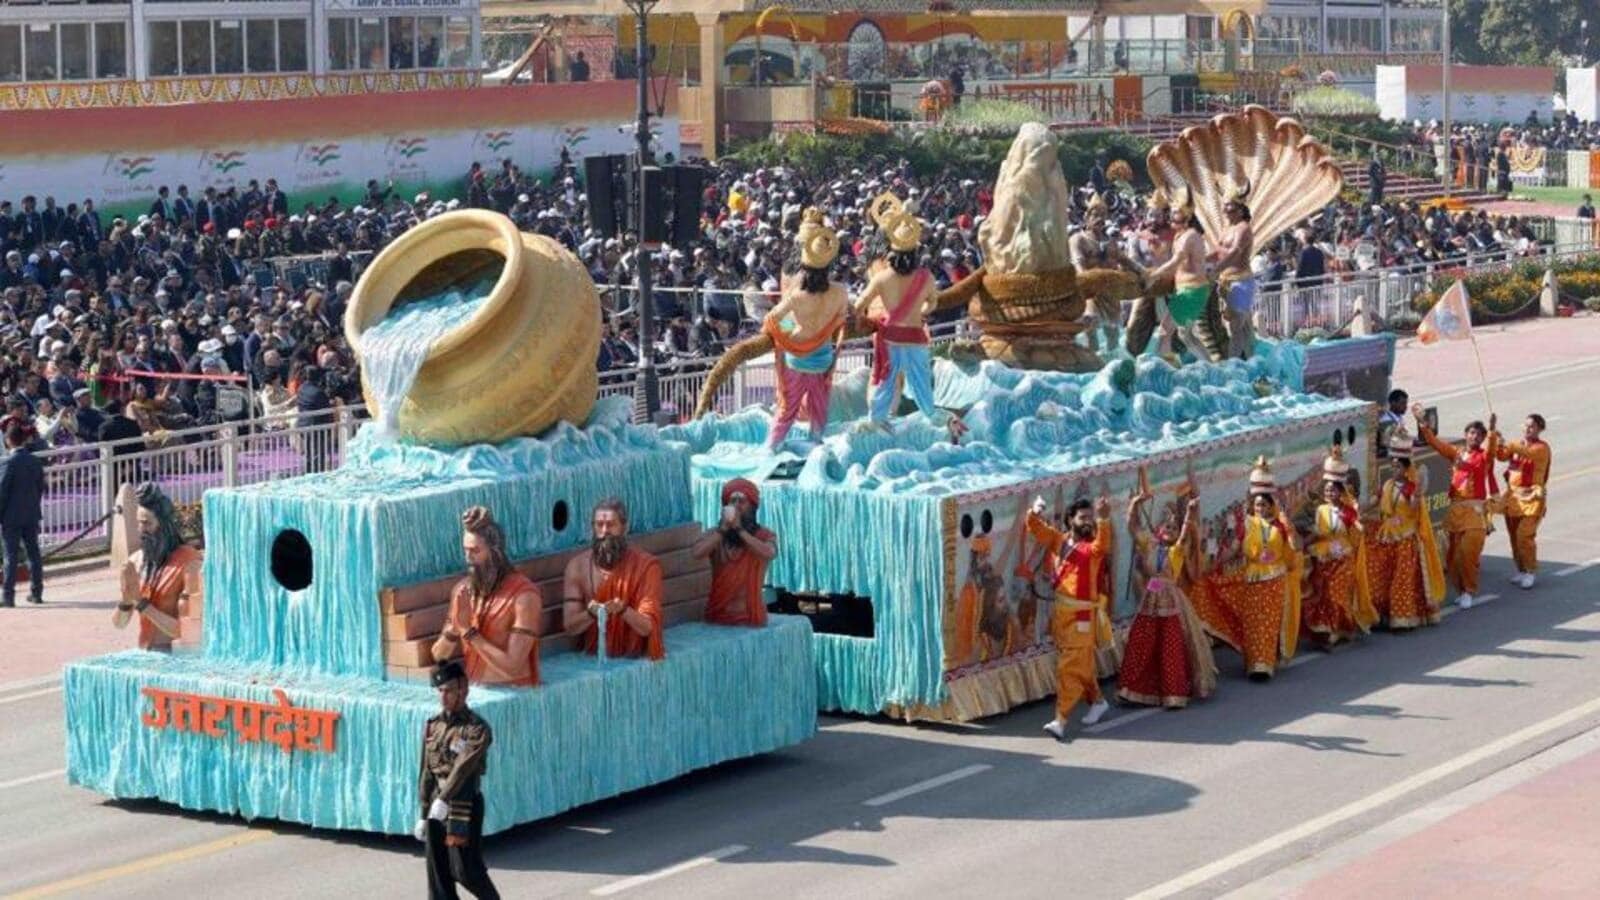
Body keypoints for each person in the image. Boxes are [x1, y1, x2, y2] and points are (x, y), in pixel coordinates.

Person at [854, 193, 961, 436]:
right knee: (922, 387)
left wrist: (866, 321)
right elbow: (932, 304)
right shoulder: (926, 277)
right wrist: (919, 312)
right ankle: (939, 421)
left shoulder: (881, 276)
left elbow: (859, 305)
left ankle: (876, 422)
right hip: (915, 337)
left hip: (889, 337)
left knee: (884, 381)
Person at [1192, 457, 1302, 680]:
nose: (1260, 508)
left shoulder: (1280, 525)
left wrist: (1288, 526)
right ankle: (1253, 663)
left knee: (1268, 623)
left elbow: (1295, 547)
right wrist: (1213, 567)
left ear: (1271, 505)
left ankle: (1264, 665)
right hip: (1252, 581)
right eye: (1257, 504)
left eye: (1264, 504)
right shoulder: (1247, 524)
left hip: (1274, 581)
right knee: (1253, 623)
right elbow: (1234, 550)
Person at [1116, 485, 1217, 708]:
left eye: (1174, 527)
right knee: (1141, 643)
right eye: (1167, 526)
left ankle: (1174, 694)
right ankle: (1133, 690)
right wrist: (1135, 504)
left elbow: (1185, 532)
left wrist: (1190, 511)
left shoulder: (1177, 550)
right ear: (1159, 529)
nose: (1170, 529)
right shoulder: (1149, 545)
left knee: (1171, 647)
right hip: (1150, 602)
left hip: (1172, 604)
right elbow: (1133, 526)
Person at [1025, 493, 1113, 740]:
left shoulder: (1092, 549)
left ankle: (1060, 720)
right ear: (1070, 520)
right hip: (1061, 616)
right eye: (1083, 517)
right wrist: (1035, 511)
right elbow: (1036, 528)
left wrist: (1104, 519)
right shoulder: (1059, 540)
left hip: (1082, 617)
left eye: (1090, 517)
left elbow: (1102, 545)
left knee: (1069, 668)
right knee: (1080, 663)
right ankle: (1098, 701)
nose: (1088, 522)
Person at [763, 208, 848, 448]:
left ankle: (771, 448)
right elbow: (841, 319)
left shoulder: (797, 295)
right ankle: (815, 443)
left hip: (797, 357)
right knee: (819, 407)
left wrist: (790, 333)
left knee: (787, 409)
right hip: (823, 357)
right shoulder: (840, 292)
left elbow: (772, 319)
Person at [416, 660, 500, 900]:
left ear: (463, 690)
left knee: (465, 870)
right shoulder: (433, 726)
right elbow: (426, 771)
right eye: (440, 691)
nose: (443, 696)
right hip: (436, 803)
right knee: (438, 875)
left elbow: (463, 768)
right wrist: (423, 812)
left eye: (449, 690)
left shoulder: (476, 729)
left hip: (463, 803)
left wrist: (443, 799)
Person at [432, 506, 541, 687]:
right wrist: (454, 628)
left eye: (475, 551)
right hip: (475, 690)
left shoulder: (524, 596)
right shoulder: (462, 591)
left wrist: (468, 631)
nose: (468, 558)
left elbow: (513, 666)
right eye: (465, 550)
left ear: (495, 552)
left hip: (515, 691)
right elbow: (439, 655)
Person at [1414, 403, 1498, 608]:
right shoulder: (1456, 453)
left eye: (1479, 435)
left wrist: (1492, 430)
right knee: (1453, 557)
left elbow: (1492, 451)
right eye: (1472, 433)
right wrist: (1422, 423)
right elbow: (1435, 443)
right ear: (1465, 435)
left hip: (1474, 512)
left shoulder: (1484, 458)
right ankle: (1460, 589)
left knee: (1468, 553)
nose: (1475, 437)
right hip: (1455, 511)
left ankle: (1469, 590)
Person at [561, 498, 664, 659]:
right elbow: (570, 626)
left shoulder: (646, 567)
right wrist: (591, 614)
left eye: (611, 525)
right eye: (599, 525)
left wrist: (622, 610)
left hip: (633, 657)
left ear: (625, 528)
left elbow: (647, 627)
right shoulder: (577, 567)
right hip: (592, 656)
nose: (604, 531)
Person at [1133, 190, 1226, 362]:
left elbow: (1176, 261)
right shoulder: (1182, 236)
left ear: (1185, 216)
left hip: (1191, 291)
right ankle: (1211, 367)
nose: (1170, 216)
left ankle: (1167, 367)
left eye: (1175, 213)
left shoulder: (1188, 236)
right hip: (1190, 290)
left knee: (1165, 331)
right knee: (1185, 334)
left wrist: (1153, 275)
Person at [1368, 426, 1445, 629]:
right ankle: (1382, 615)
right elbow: (1375, 504)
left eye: (1397, 467)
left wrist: (1418, 493)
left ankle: (1403, 618)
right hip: (1386, 538)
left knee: (1402, 580)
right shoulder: (1387, 486)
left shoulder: (1411, 488)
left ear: (1405, 468)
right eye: (1392, 466)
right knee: (1380, 577)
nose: (1394, 470)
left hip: (1405, 541)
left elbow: (1413, 508)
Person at [1302, 446, 1376, 648]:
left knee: (1337, 595)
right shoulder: (1321, 510)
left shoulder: (1348, 511)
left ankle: (1339, 628)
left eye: (1332, 490)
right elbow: (1318, 532)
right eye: (1326, 490)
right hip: (1324, 560)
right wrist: (1304, 544)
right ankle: (1329, 629)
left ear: (1340, 491)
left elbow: (1356, 528)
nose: (1329, 493)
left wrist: (1358, 524)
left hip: (1342, 560)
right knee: (1324, 595)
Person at [112, 483, 202, 649]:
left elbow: (188, 631)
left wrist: (142, 604)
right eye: (139, 523)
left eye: (147, 524)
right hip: (146, 652)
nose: (141, 530)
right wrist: (126, 599)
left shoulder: (190, 563)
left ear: (165, 525)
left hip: (178, 655)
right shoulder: (136, 561)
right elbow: (119, 624)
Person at [695, 478, 778, 627]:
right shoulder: (715, 534)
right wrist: (723, 530)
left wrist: (740, 530)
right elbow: (697, 553)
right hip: (718, 615)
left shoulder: (764, 535)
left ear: (752, 506)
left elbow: (769, 553)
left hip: (750, 617)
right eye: (732, 501)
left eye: (742, 501)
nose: (737, 506)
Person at [1069, 193, 1139, 354]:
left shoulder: (1111, 242)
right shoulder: (1078, 239)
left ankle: (1111, 362)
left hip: (1110, 292)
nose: (1099, 219)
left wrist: (1142, 272)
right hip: (1089, 291)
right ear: (1086, 217)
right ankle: (1090, 360)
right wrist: (1088, 281)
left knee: (1113, 335)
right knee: (1091, 323)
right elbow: (1078, 264)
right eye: (1095, 215)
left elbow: (1126, 260)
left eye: (1103, 215)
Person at [1493, 413, 1551, 590]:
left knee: (1524, 535)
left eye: (1532, 426)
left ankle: (1530, 571)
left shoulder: (1541, 448)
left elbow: (1526, 452)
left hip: (1531, 498)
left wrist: (1508, 444)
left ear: (1540, 429)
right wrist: (1497, 440)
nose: (1527, 429)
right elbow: (1501, 456)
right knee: (1513, 536)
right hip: (1513, 498)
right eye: (1526, 425)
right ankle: (1521, 569)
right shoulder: (1518, 445)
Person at [1210, 182, 1257, 359]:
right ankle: (1252, 360)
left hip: (1240, 282)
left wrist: (1215, 270)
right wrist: (1198, 260)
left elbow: (1235, 252)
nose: (1224, 209)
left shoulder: (1243, 228)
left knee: (1236, 327)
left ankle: (1233, 364)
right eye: (1224, 205)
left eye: (1228, 205)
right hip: (1225, 283)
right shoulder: (1226, 228)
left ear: (1240, 208)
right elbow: (1217, 251)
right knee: (1243, 328)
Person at [0, 422, 45, 606]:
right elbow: (40, 487)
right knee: (33, 553)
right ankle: (36, 592)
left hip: (11, 516)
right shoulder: (35, 461)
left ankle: (8, 596)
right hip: (31, 513)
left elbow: (2, 492)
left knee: (10, 556)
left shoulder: (7, 462)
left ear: (8, 440)